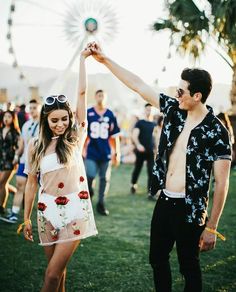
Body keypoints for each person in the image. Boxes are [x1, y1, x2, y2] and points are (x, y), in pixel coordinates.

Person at [87, 42, 232, 291]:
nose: (177, 95)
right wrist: (105, 60)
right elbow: (139, 85)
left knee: (189, 267)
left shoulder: (217, 131)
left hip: (191, 209)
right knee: (157, 259)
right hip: (165, 201)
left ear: (197, 96)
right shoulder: (175, 111)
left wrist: (212, 227)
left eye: (181, 91)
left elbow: (222, 182)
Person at [21, 47, 97, 292]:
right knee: (59, 274)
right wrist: (26, 217)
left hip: (75, 210)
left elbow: (82, 92)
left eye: (64, 118)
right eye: (54, 120)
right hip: (46, 211)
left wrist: (83, 60)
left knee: (51, 275)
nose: (61, 124)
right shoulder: (36, 145)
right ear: (45, 121)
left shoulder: (75, 137)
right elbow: (32, 182)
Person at [2, 99, 41, 223]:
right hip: (25, 160)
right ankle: (14, 213)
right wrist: (17, 156)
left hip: (40, 163)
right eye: (31, 107)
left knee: (43, 189)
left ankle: (47, 216)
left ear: (40, 108)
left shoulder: (44, 124)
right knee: (20, 186)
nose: (32, 110)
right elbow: (22, 144)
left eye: (35, 107)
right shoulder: (26, 125)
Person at [84, 89, 120, 216]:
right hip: (92, 151)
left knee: (104, 179)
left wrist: (117, 153)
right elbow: (84, 134)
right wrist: (82, 149)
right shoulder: (89, 113)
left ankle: (101, 203)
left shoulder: (110, 114)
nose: (100, 98)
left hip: (105, 152)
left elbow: (114, 136)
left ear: (106, 98)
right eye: (98, 95)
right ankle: (90, 193)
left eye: (102, 96)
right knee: (90, 175)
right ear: (95, 97)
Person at [0, 111, 23, 217]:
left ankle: (1, 207)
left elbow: (19, 146)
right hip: (1, 160)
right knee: (3, 184)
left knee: (2, 183)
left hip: (10, 162)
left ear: (13, 119)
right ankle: (18, 195)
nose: (6, 118)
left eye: (9, 116)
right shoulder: (0, 130)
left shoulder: (15, 132)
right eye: (5, 116)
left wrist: (16, 157)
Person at [130, 103, 156, 195]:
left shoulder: (154, 124)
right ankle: (133, 184)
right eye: (147, 109)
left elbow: (156, 137)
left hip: (151, 151)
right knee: (138, 168)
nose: (149, 111)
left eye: (151, 109)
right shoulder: (140, 123)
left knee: (151, 170)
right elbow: (134, 135)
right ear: (144, 110)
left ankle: (150, 191)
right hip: (141, 150)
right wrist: (138, 145)